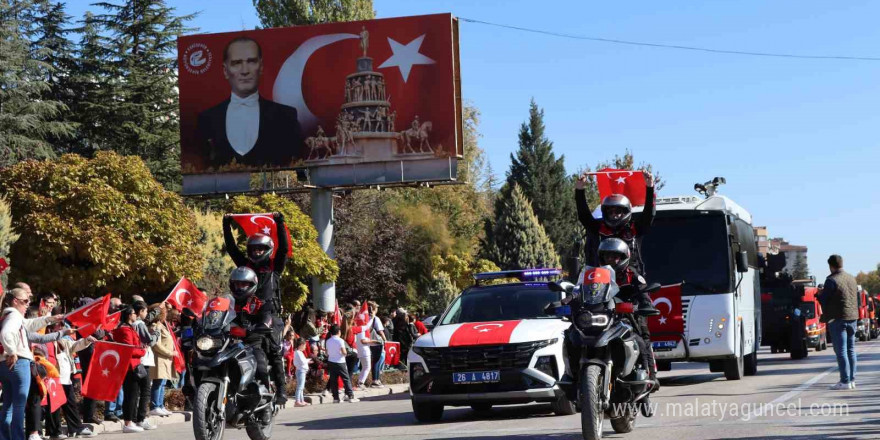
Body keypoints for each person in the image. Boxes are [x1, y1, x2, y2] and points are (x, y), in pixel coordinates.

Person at [198, 36, 304, 168]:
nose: (245, 71)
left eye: (251, 61)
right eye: (237, 63)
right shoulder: (207, 119)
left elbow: (298, 165)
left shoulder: (286, 116)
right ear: (225, 70)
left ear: (261, 66)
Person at [223, 212, 290, 405]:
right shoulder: (245, 265)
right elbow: (231, 248)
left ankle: (281, 391)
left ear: (268, 249)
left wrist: (279, 221)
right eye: (254, 249)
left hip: (269, 316)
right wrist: (226, 224)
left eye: (261, 249)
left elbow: (284, 249)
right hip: (246, 316)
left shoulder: (274, 268)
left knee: (275, 352)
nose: (257, 252)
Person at [575, 171, 657, 297]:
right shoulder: (599, 227)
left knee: (640, 290)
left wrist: (650, 187)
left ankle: (645, 302)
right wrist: (580, 190)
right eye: (611, 212)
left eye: (618, 212)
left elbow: (648, 214)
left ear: (626, 212)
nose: (614, 215)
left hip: (630, 280)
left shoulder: (635, 228)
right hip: (601, 279)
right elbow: (584, 216)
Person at [0, 289, 65, 440]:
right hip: (19, 362)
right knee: (19, 405)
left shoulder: (7, 315)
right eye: (25, 301)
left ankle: (5, 437)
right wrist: (11, 351)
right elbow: (5, 334)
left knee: (8, 406)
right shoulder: (14, 316)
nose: (28, 305)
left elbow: (29, 324)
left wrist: (49, 319)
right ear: (15, 301)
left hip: (4, 364)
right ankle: (17, 437)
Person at [597, 238, 660, 390]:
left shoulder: (632, 275)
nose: (611, 260)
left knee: (641, 341)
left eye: (615, 256)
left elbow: (644, 295)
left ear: (624, 257)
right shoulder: (598, 274)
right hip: (605, 316)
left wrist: (644, 305)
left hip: (630, 316)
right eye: (607, 256)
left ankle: (649, 377)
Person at [44, 316, 97, 439]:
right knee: (54, 407)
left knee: (70, 404)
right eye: (59, 324)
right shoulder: (46, 340)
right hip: (53, 378)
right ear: (51, 327)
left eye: (63, 324)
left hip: (65, 378)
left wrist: (87, 340)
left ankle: (76, 428)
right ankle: (54, 432)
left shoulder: (63, 340)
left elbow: (74, 346)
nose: (62, 326)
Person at [818, 254, 859, 390]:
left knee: (841, 351)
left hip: (838, 318)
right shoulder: (852, 278)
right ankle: (852, 380)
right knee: (851, 350)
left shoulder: (831, 280)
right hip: (852, 317)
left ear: (831, 266)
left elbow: (824, 299)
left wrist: (819, 294)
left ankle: (844, 381)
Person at [113, 306, 152, 433]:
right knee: (131, 394)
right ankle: (129, 422)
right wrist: (142, 350)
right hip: (131, 366)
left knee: (142, 390)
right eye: (134, 313)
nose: (136, 315)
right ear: (129, 315)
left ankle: (138, 419)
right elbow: (129, 349)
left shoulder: (128, 328)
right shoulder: (125, 330)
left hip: (135, 365)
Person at [148, 304, 176, 417]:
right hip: (159, 358)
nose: (167, 313)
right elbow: (157, 346)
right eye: (165, 311)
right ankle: (155, 406)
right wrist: (170, 353)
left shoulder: (163, 325)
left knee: (162, 384)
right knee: (158, 383)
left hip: (165, 359)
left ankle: (160, 405)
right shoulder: (155, 326)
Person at [325, 325, 358, 403]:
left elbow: (326, 353)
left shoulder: (328, 341)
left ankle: (336, 398)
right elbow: (344, 352)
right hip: (340, 362)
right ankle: (350, 396)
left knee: (333, 380)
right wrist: (346, 353)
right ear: (339, 332)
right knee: (346, 379)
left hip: (331, 361)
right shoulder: (340, 340)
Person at [367, 302, 386, 388]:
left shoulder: (365, 318)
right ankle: (375, 380)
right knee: (377, 361)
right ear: (374, 309)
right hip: (377, 342)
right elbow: (380, 331)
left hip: (368, 341)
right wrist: (385, 340)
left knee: (374, 361)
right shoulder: (376, 319)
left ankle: (376, 379)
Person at [292, 338, 311, 407]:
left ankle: (301, 400)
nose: (305, 347)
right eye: (305, 345)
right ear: (301, 345)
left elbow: (302, 361)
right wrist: (308, 360)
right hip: (301, 371)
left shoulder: (299, 352)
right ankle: (297, 401)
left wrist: (307, 360)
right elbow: (303, 361)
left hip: (302, 370)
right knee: (300, 387)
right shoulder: (298, 352)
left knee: (301, 387)